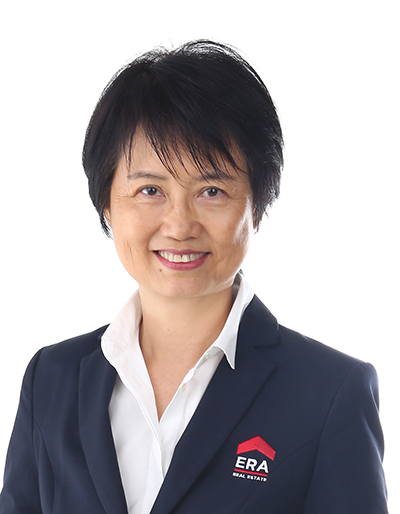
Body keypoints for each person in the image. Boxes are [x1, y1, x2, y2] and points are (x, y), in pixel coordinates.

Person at [0, 40, 388, 514]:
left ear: (257, 206)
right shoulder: (51, 379)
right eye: (149, 190)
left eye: (212, 190)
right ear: (106, 205)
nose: (180, 225)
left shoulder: (330, 394)